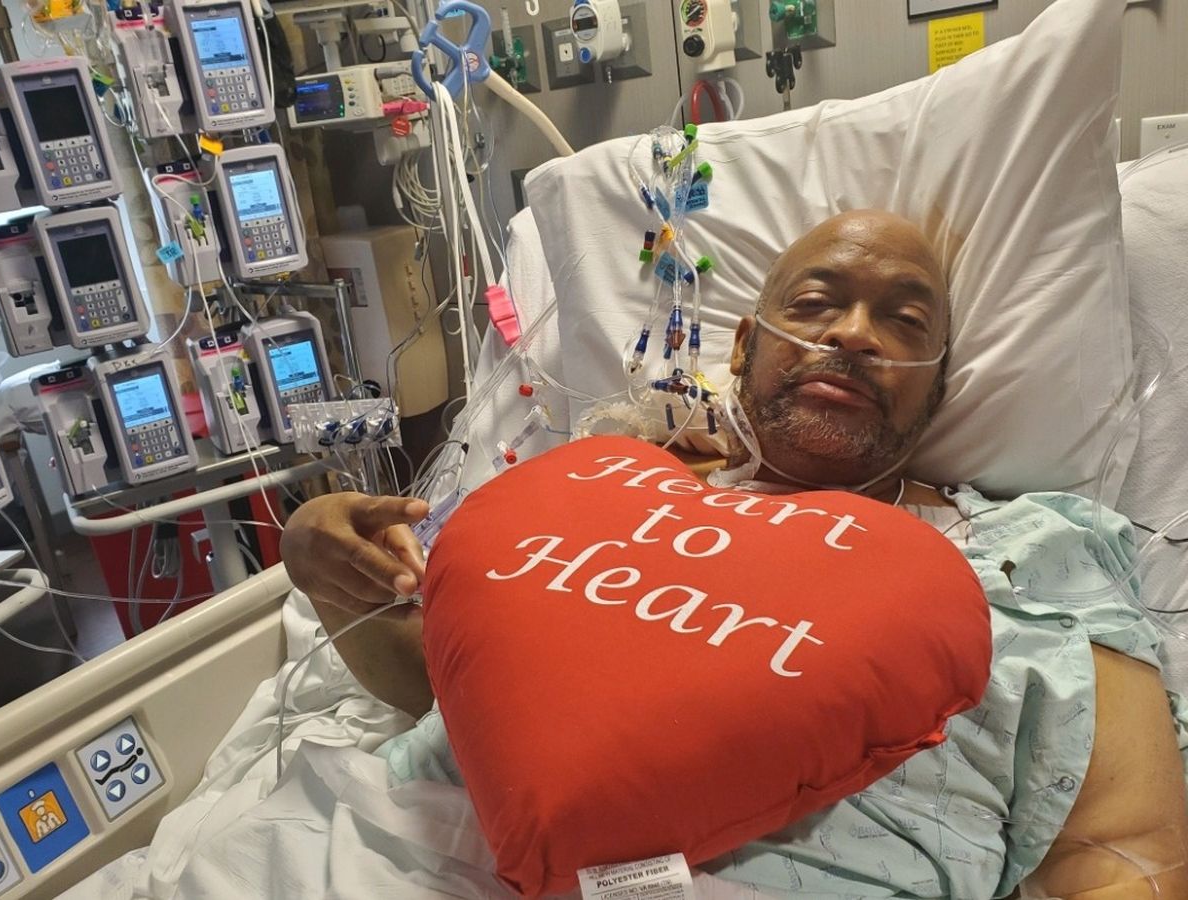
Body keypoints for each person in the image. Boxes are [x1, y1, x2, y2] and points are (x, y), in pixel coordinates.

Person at [281, 210, 1188, 897]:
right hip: (410, 861)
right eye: (816, 303)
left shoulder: (1034, 556)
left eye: (905, 321)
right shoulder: (601, 494)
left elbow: (1125, 855)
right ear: (747, 347)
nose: (853, 333)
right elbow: (456, 688)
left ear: (937, 390)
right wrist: (326, 575)